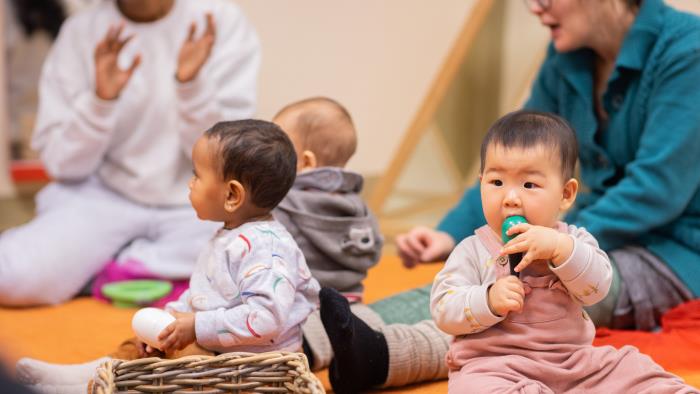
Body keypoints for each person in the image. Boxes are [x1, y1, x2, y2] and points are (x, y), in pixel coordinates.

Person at [322, 0, 700, 391]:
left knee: (535, 298)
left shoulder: (688, 50)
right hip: (584, 223)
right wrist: (449, 232)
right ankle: (319, 336)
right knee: (480, 276)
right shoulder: (567, 58)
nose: (534, 7)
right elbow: (511, 159)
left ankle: (380, 355)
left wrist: (558, 243)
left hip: (672, 253)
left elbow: (657, 189)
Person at [16, 119, 321, 394]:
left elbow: (265, 319)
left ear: (232, 196)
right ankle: (86, 376)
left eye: (197, 176)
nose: (190, 184)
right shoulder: (230, 234)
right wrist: (173, 318)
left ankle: (95, 386)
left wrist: (196, 326)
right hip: (220, 346)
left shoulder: (266, 248)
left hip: (250, 365)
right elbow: (205, 295)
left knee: (175, 368)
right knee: (142, 348)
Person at [0, 0, 260, 306]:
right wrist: (100, 102)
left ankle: (118, 265)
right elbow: (62, 166)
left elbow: (227, 158)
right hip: (103, 199)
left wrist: (191, 87)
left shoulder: (218, 20)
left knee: (252, 270)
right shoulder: (82, 31)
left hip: (194, 206)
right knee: (11, 277)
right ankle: (148, 268)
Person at [433, 110, 695, 393]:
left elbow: (596, 290)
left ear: (566, 194)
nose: (510, 199)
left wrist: (561, 250)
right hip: (496, 366)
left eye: (529, 185)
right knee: (474, 387)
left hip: (574, 363)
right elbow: (444, 309)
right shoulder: (472, 249)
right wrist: (488, 299)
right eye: (496, 182)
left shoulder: (574, 240)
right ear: (481, 182)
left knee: (633, 368)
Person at [270, 97, 385, 370]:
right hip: (354, 305)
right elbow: (375, 251)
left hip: (304, 310)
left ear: (306, 162)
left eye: (276, 154)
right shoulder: (358, 205)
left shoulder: (283, 202)